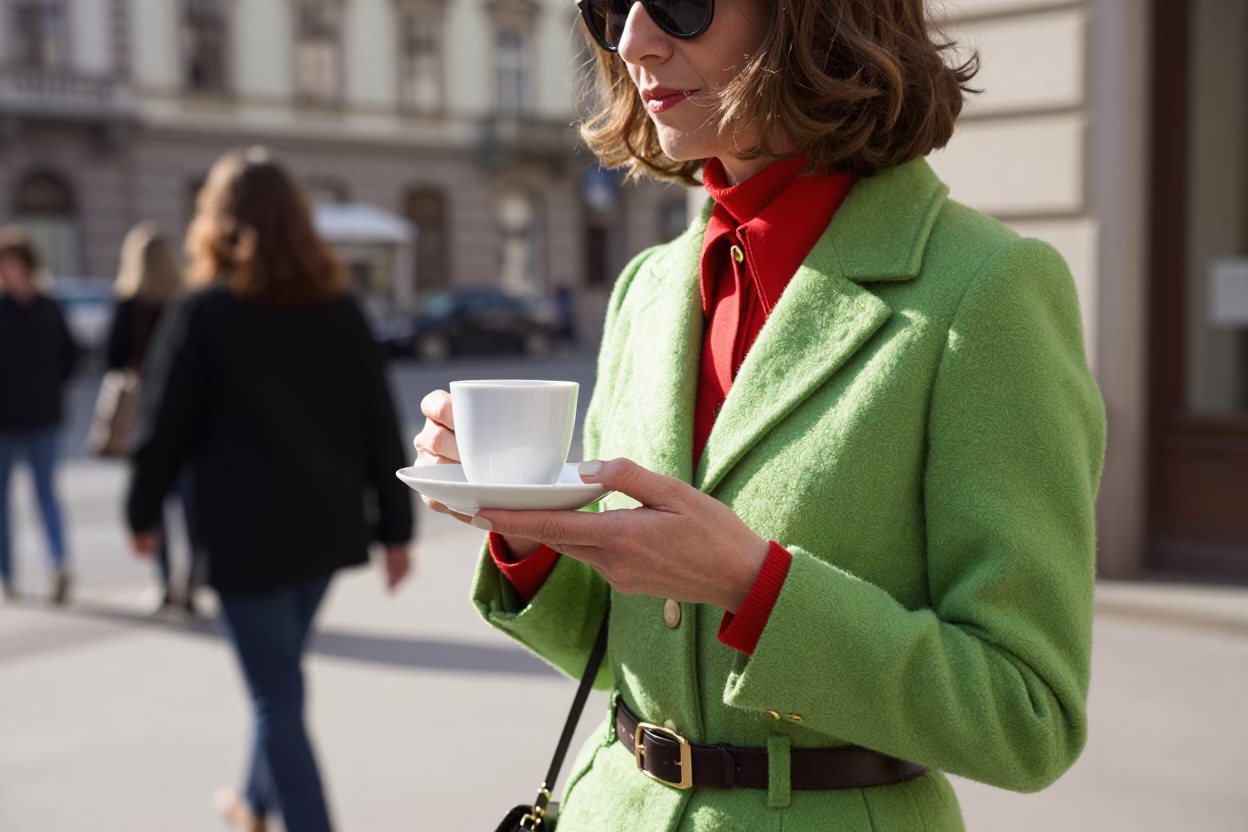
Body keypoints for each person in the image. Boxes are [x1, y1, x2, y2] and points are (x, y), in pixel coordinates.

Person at [414, 1, 1107, 829]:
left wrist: (754, 586)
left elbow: (1027, 719)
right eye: (606, 8)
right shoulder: (649, 287)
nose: (632, 40)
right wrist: (524, 528)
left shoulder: (986, 289)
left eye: (677, 0)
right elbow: (627, 654)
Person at [125, 147, 415, 832]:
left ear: (216, 223)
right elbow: (381, 421)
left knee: (274, 694)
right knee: (279, 684)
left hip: (244, 539)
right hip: (324, 529)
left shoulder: (205, 312)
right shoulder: (339, 308)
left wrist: (141, 513)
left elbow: (162, 426)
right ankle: (253, 806)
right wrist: (395, 530)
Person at [107, 222, 198, 613]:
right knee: (189, 502)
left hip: (145, 413)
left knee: (154, 498)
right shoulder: (184, 302)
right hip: (188, 415)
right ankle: (192, 580)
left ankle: (164, 582)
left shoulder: (130, 305)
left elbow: (113, 359)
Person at [0, 227, 77, 604]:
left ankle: (58, 563)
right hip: (5, 421)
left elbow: (70, 357)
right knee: (2, 501)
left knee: (46, 495)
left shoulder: (49, 307)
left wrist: (50, 387)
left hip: (43, 416)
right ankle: (7, 574)